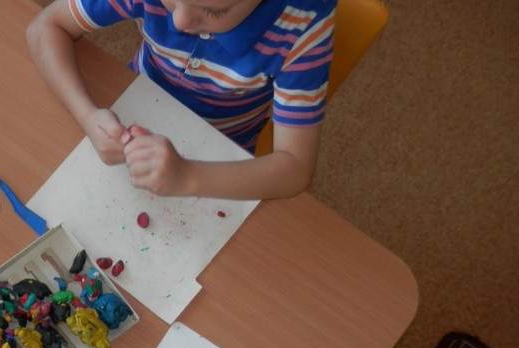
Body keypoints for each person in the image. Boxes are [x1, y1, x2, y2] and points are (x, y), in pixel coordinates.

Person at [26, 0, 337, 200]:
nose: (180, 20)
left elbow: (296, 168)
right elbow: (45, 27)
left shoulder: (304, 25)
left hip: (221, 153)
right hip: (137, 103)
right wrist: (86, 115)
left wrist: (188, 178)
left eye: (215, 11)